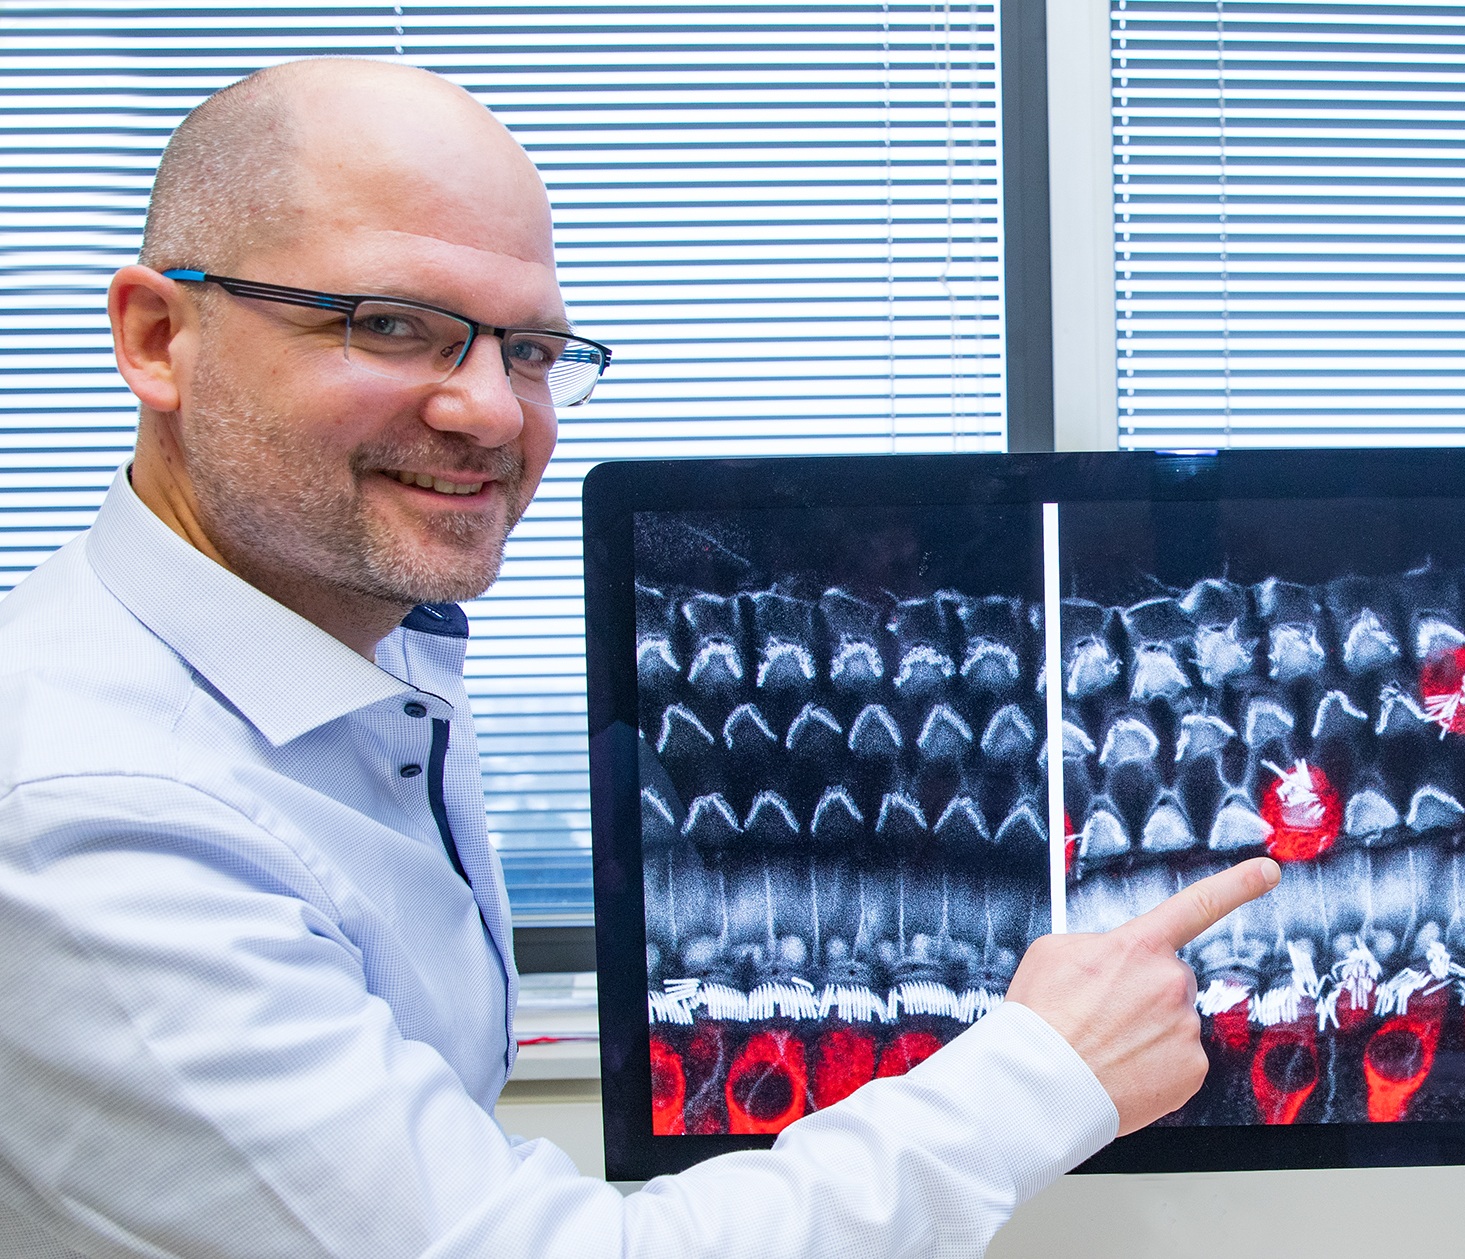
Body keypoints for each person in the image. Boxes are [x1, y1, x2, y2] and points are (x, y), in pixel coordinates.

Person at [0, 57, 1278, 1257]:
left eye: (532, 349)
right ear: (159, 337)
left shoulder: (342, 654)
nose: (493, 411)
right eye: (390, 324)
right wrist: (1045, 1069)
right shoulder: (94, 817)